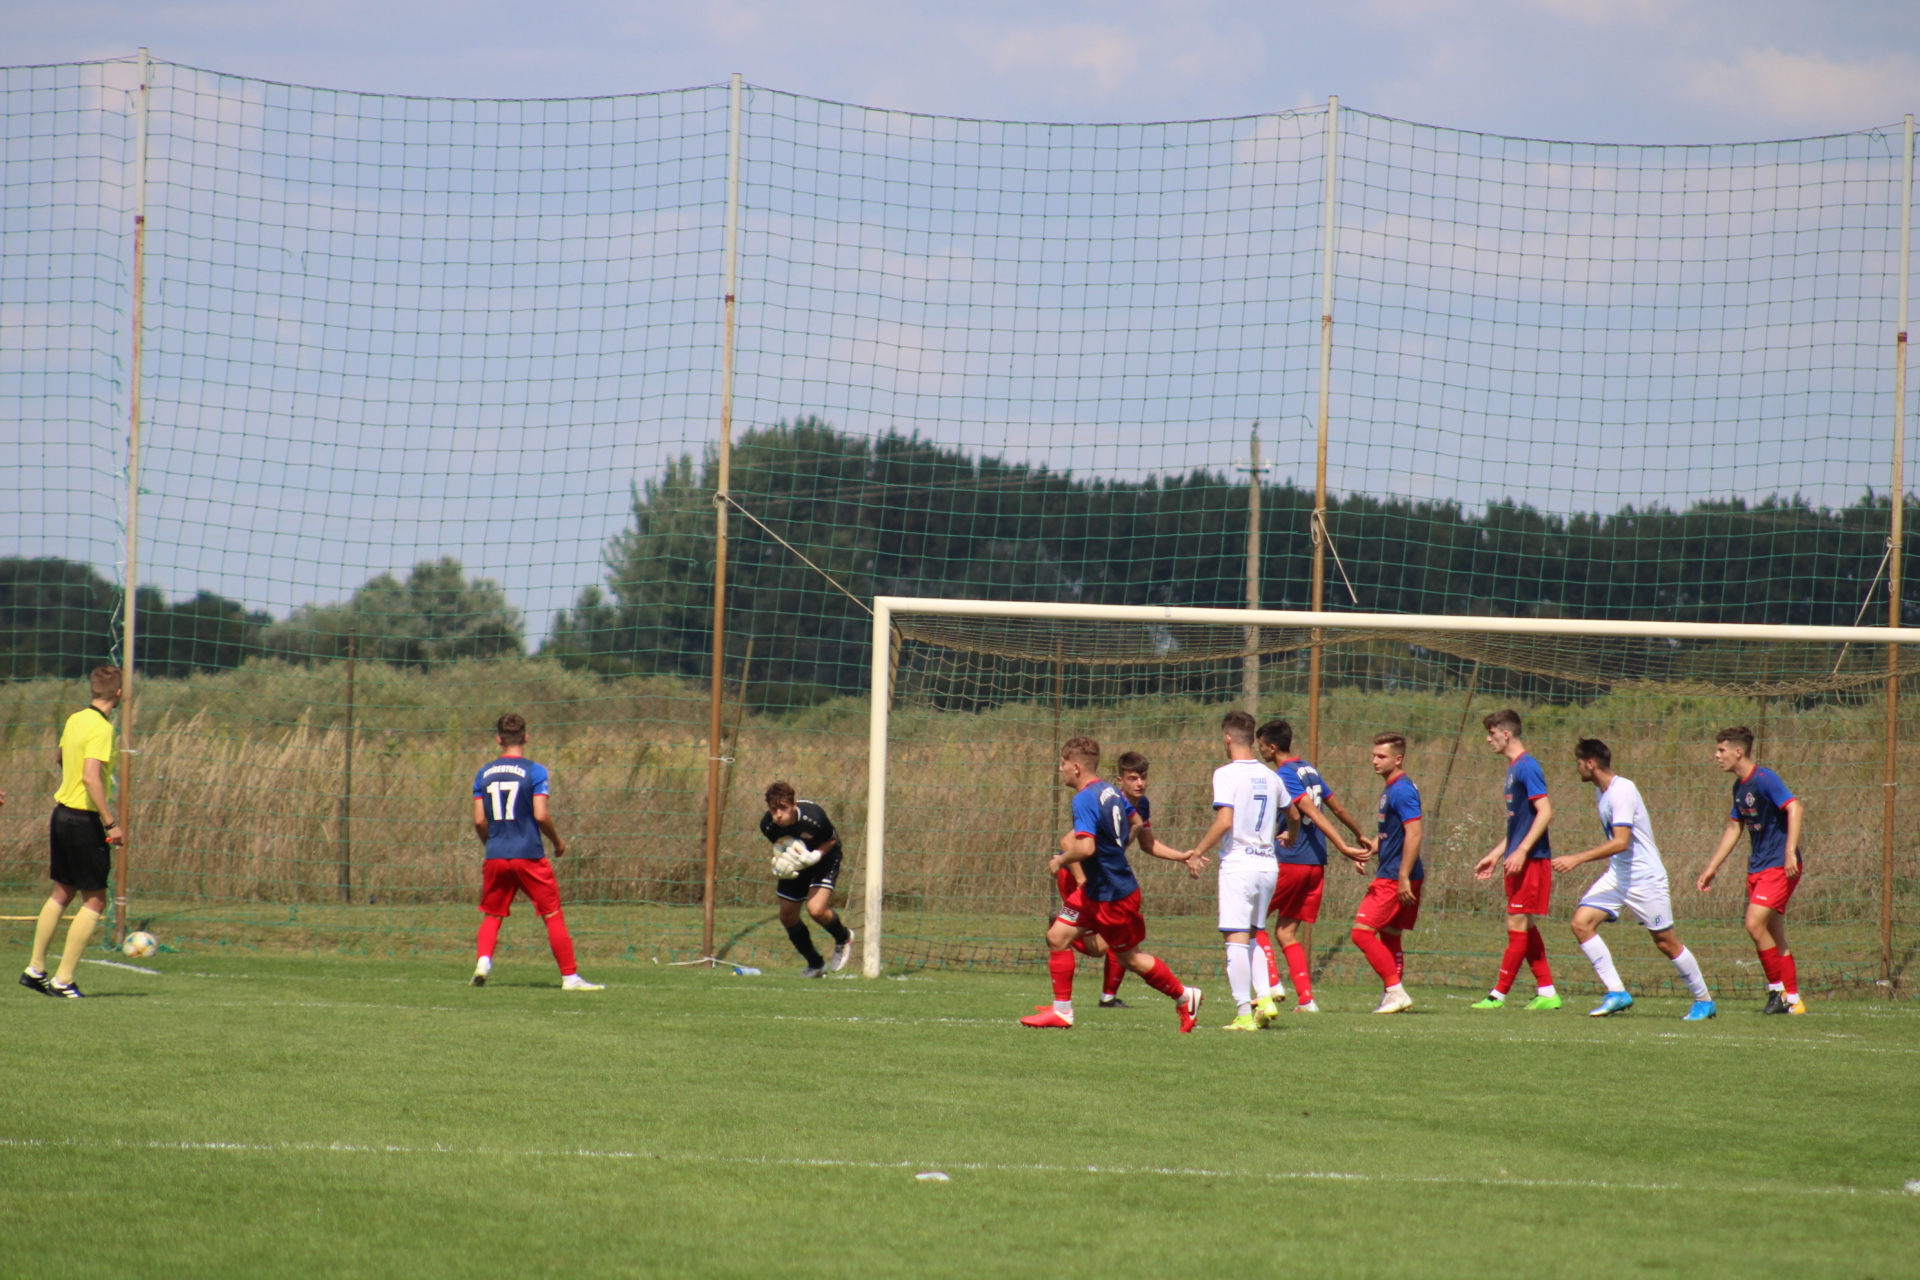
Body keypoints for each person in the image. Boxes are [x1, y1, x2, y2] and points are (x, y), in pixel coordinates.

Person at [1021, 736, 1204, 1032]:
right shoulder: (1109, 791)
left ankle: (1185, 996)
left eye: (1063, 764)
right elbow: (1136, 822)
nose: (1060, 769)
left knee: (1130, 958)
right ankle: (1062, 1011)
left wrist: (1061, 860)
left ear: (1076, 767)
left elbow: (1085, 847)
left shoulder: (1083, 798)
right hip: (1096, 890)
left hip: (1113, 894)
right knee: (1057, 936)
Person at [1551, 739, 1716, 1021]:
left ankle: (1704, 1000)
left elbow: (1620, 842)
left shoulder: (1622, 790)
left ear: (1591, 763)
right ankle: (1617, 993)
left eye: (1579, 763)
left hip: (1645, 878)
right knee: (1581, 923)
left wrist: (1576, 858)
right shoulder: (1601, 792)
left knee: (1666, 943)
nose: (1577, 768)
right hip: (1618, 875)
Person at [470, 713, 602, 991]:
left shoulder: (484, 773)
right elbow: (541, 815)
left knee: (492, 914)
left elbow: (479, 821)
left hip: (496, 855)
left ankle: (483, 962)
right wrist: (558, 842)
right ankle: (570, 978)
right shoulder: (536, 771)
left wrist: (490, 844)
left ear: (498, 740)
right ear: (526, 738)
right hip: (528, 854)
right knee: (551, 913)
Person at [1255, 718, 1373, 1015]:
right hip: (1315, 864)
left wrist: (1344, 846)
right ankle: (1306, 1001)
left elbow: (1312, 813)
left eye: (1261, 746)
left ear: (1272, 747)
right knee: (1286, 933)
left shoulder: (1284, 774)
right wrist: (1358, 833)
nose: (1259, 751)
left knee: (1251, 921)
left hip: (1291, 859)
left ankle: (1272, 983)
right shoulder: (1308, 768)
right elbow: (1336, 807)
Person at [22, 665, 124, 999]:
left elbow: (60, 757)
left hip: (61, 815)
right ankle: (63, 980)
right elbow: (90, 776)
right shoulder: (102, 728)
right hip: (84, 820)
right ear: (119, 693)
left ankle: (35, 970)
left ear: (93, 690)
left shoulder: (75, 719)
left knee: (61, 893)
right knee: (95, 900)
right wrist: (111, 822)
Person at [1183, 712, 1281, 1031]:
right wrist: (1290, 835)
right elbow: (1294, 812)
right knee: (1253, 935)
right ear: (1253, 738)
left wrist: (1198, 852)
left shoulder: (1226, 773)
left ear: (1227, 738)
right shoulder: (1271, 775)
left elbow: (1224, 821)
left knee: (1235, 942)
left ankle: (1243, 1014)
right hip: (1268, 865)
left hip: (1240, 865)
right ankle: (1264, 999)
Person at [1696, 727, 1805, 1014]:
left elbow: (1795, 807)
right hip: (1757, 867)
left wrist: (1790, 851)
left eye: (1721, 750)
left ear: (1738, 752)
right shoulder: (1739, 787)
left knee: (1754, 924)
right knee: (1774, 934)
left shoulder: (1764, 778)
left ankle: (1776, 992)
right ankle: (1794, 1000)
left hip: (1778, 866)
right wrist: (1712, 867)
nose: (1716, 755)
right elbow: (1734, 828)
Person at [1471, 710, 1560, 1011]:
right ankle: (1547, 992)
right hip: (1519, 858)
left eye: (1492, 733)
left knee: (1516, 922)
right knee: (1525, 923)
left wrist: (1521, 851)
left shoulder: (1527, 766)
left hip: (1532, 859)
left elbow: (1545, 812)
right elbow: (1520, 824)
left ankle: (1498, 995)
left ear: (1506, 734)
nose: (1488, 739)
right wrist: (1497, 854)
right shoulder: (1513, 768)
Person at [1352, 733, 1423, 1015]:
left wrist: (1403, 876)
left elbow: (1414, 834)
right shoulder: (1392, 787)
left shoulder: (1402, 790)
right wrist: (1371, 850)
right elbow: (1392, 834)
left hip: (1395, 876)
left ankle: (1396, 991)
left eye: (1381, 756)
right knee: (1391, 935)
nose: (1374, 761)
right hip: (1398, 873)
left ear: (1398, 759)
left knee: (1361, 933)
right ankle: (1391, 996)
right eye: (1373, 755)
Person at [760, 782, 855, 976]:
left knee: (816, 910)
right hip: (797, 863)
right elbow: (780, 847)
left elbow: (832, 840)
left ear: (794, 804)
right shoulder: (767, 826)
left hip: (824, 859)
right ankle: (815, 964)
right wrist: (779, 865)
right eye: (773, 809)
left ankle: (843, 937)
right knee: (787, 916)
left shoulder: (814, 816)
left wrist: (815, 856)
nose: (778, 815)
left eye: (783, 808)